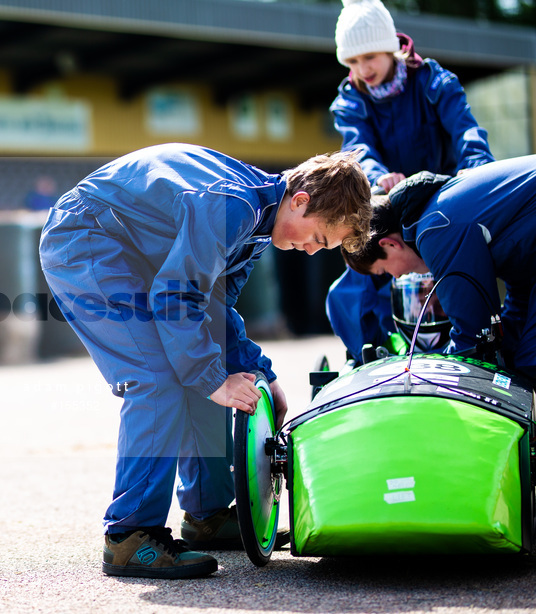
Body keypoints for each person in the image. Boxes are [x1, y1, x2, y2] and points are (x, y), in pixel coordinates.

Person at [39, 143, 371, 579]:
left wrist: (260, 374)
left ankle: (206, 515)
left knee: (212, 372)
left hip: (129, 247)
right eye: (318, 238)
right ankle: (129, 536)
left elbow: (213, 311)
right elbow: (179, 297)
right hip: (86, 237)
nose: (311, 251)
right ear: (301, 200)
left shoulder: (257, 224)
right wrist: (212, 378)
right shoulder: (232, 207)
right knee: (158, 379)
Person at [325, 0, 495, 361]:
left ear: (390, 48)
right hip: (385, 202)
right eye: (351, 62)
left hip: (442, 202)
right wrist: (376, 175)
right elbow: (357, 147)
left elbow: (466, 131)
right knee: (359, 273)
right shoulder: (350, 100)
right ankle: (374, 356)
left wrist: (476, 168)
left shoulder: (434, 81)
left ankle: (477, 348)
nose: (362, 69)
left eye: (369, 56)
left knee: (473, 262)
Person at [342, 156, 536, 378]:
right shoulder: (439, 207)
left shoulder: (435, 229)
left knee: (531, 360)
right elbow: (521, 291)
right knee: (523, 357)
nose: (395, 276)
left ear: (390, 244)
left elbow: (472, 332)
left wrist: (422, 375)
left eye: (384, 271)